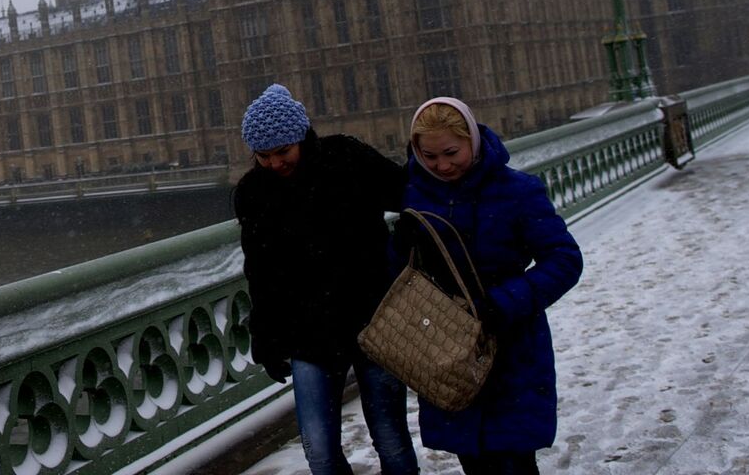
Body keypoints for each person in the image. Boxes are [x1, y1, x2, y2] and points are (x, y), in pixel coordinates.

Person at [233, 83, 419, 475]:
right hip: (308, 333)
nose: (275, 163)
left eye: (283, 152)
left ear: (301, 137)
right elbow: (261, 273)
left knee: (391, 440)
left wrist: (400, 248)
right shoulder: (252, 192)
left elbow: (408, 195)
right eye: (263, 156)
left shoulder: (347, 157)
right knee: (319, 452)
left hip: (374, 320)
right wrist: (264, 337)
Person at [396, 97, 582, 475]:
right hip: (449, 348)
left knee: (513, 457)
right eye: (429, 156)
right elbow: (400, 268)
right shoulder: (415, 195)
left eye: (451, 152)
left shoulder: (517, 191)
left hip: (511, 345)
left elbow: (564, 259)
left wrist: (503, 303)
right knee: (475, 460)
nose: (442, 165)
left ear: (474, 141)